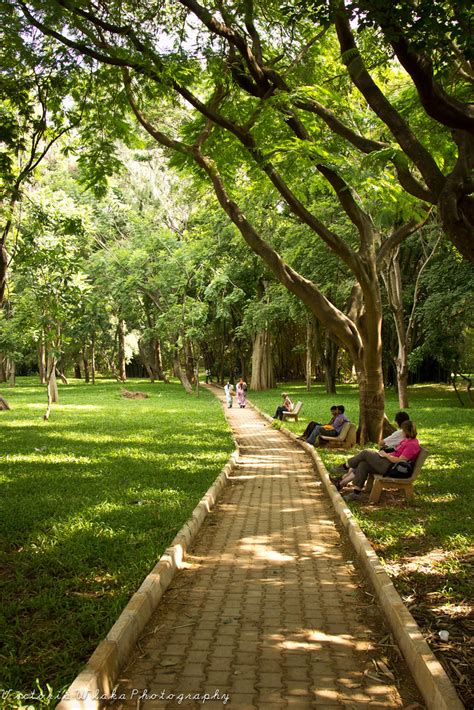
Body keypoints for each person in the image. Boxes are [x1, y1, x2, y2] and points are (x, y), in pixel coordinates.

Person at [331, 420, 421, 502]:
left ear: (407, 431)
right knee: (363, 464)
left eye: (403, 430)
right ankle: (355, 492)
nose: (402, 432)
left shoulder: (412, 445)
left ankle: (344, 467)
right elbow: (396, 453)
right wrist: (385, 454)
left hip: (391, 467)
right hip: (388, 462)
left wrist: (386, 455)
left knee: (366, 453)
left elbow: (399, 460)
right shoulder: (407, 441)